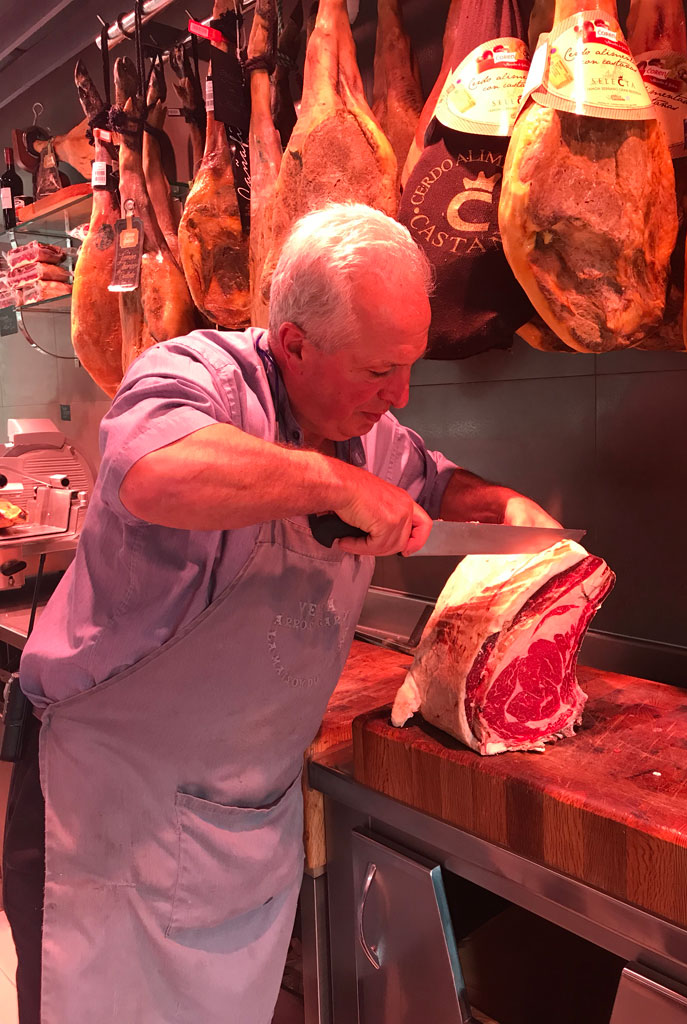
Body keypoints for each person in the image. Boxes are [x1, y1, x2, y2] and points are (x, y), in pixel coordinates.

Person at [2, 203, 559, 1024]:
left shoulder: (370, 434)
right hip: (111, 824)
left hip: (244, 833)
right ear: (294, 343)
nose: (400, 395)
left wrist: (504, 507)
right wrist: (332, 484)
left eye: (408, 367)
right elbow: (151, 469)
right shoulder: (195, 373)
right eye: (379, 371)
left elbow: (437, 483)